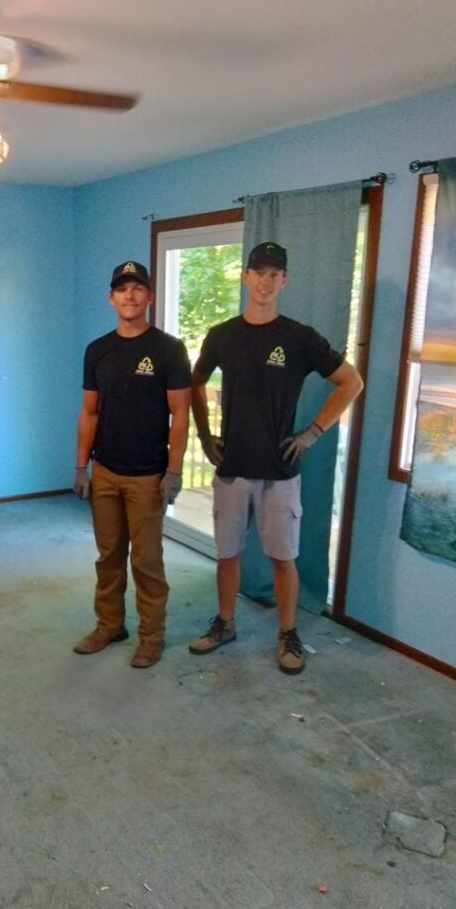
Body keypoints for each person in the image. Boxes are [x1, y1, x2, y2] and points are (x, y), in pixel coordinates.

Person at [189, 241, 363, 674]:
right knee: (227, 553)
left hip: (280, 472)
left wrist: (313, 432)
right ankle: (225, 623)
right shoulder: (222, 335)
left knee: (283, 558)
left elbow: (351, 382)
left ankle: (288, 633)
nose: (265, 281)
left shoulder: (299, 338)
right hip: (232, 469)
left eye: (274, 274)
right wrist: (205, 434)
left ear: (284, 281)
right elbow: (194, 383)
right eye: (258, 272)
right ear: (245, 277)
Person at [73, 260, 191, 668]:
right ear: (111, 298)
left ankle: (151, 635)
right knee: (108, 556)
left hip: (147, 475)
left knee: (146, 560)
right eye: (122, 289)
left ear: (149, 297)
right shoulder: (97, 350)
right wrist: (80, 466)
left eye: (138, 288)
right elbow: (89, 412)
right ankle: (109, 625)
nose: (130, 296)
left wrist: (173, 470)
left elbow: (180, 415)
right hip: (105, 470)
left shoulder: (168, 349)